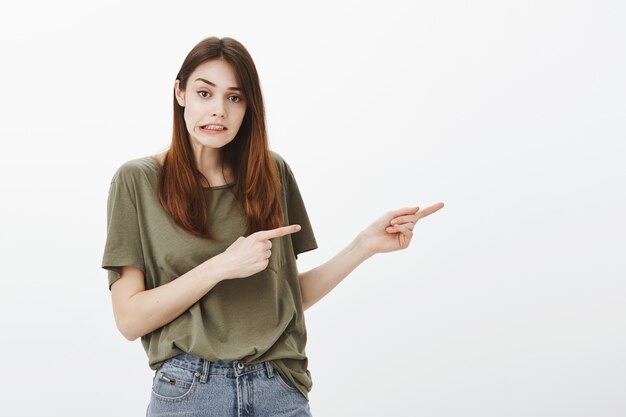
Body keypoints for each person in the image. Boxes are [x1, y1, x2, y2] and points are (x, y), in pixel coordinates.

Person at [101, 36, 444, 417]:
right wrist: (220, 267)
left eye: (234, 98)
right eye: (204, 93)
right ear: (180, 93)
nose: (218, 111)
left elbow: (288, 297)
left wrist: (364, 245)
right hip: (189, 389)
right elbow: (129, 320)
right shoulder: (137, 181)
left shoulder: (270, 173)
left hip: (276, 388)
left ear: (249, 107)